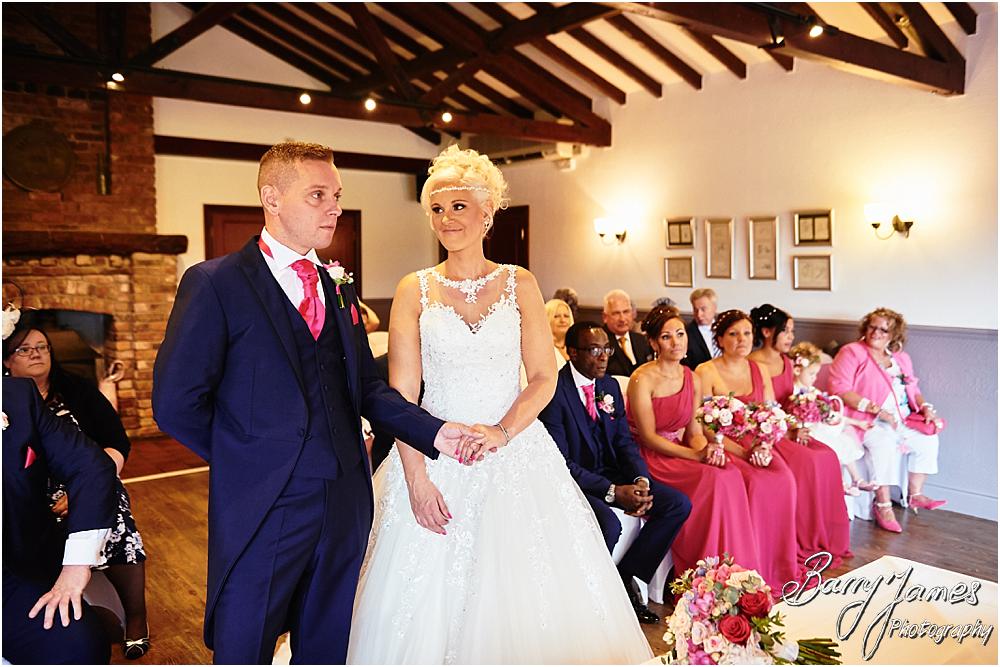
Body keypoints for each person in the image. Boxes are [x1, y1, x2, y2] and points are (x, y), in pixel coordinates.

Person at [152, 141, 484, 664]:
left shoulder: (337, 285)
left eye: (337, 196)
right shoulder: (215, 283)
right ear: (272, 198)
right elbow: (175, 402)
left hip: (345, 497)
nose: (334, 208)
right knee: (245, 642)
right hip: (265, 500)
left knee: (327, 643)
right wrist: (248, 458)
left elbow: (367, 388)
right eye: (318, 195)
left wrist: (434, 431)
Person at [348, 145, 652, 664]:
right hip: (434, 454)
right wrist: (417, 481)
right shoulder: (413, 289)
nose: (447, 218)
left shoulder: (519, 283)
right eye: (437, 208)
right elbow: (402, 397)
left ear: (487, 212)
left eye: (458, 206)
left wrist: (502, 431)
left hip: (516, 452)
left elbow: (543, 378)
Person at [4, 319, 150, 659]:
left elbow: (108, 449)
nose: (36, 354)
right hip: (36, 499)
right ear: (7, 360)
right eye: (25, 349)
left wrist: (76, 562)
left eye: (42, 347)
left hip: (69, 494)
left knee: (114, 508)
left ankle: (134, 618)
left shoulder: (63, 391)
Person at [539, 321, 691, 625]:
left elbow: (624, 442)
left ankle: (626, 578)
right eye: (594, 350)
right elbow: (560, 463)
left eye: (606, 349)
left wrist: (639, 480)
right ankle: (589, 601)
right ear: (572, 352)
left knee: (677, 504)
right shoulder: (554, 392)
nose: (603, 357)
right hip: (575, 483)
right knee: (608, 525)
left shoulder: (608, 386)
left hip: (613, 473)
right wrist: (611, 492)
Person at [626, 305, 761, 582]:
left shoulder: (693, 378)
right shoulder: (642, 378)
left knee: (729, 472)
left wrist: (708, 450)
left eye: (680, 334)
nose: (676, 342)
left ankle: (732, 570)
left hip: (681, 450)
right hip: (650, 456)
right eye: (666, 337)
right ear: (653, 342)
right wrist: (695, 456)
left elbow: (694, 430)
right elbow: (649, 437)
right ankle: (701, 573)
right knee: (714, 481)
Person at [3, 374, 117, 664]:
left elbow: (90, 466)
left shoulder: (16, 397)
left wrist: (77, 565)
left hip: (10, 578)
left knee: (79, 646)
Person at [694, 309, 799, 591]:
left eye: (747, 333)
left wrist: (764, 444)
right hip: (722, 443)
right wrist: (742, 453)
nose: (742, 339)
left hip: (756, 441)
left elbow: (771, 413)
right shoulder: (705, 371)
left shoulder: (758, 368)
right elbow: (704, 425)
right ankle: (750, 563)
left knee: (785, 480)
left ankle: (776, 562)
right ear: (719, 339)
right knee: (754, 483)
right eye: (733, 334)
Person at [747, 305, 852, 567]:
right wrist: (786, 428)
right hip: (765, 430)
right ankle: (801, 536)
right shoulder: (753, 363)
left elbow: (786, 404)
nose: (791, 337)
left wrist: (797, 424)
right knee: (810, 461)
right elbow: (763, 408)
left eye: (792, 331)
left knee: (827, 455)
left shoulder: (786, 361)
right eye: (786, 331)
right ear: (767, 332)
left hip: (787, 426)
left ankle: (824, 536)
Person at [827, 308, 945, 533]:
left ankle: (915, 494)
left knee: (928, 438)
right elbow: (839, 389)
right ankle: (883, 505)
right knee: (884, 444)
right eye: (872, 327)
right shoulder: (852, 352)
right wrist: (877, 411)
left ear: (894, 335)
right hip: (866, 420)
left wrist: (925, 408)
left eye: (883, 330)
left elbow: (914, 389)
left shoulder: (901, 358)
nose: (876, 333)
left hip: (902, 418)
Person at [788, 342, 874, 496]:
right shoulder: (793, 392)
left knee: (845, 440)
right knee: (833, 446)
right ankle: (840, 483)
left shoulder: (813, 392)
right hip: (807, 429)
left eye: (816, 374)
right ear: (797, 370)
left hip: (819, 425)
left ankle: (857, 479)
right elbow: (790, 416)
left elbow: (829, 413)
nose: (815, 378)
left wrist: (858, 422)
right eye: (811, 374)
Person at [603, 289, 652, 377]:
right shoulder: (600, 342)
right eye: (616, 313)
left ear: (633, 313)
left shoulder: (641, 340)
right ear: (605, 317)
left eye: (626, 312)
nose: (622, 319)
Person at [682, 288, 718, 370]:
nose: (699, 314)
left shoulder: (725, 329)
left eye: (703, 309)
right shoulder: (686, 333)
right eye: (695, 310)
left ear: (714, 308)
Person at [545, 297, 573, 366]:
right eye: (556, 316)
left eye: (566, 316)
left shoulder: (577, 348)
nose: (562, 320)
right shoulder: (541, 350)